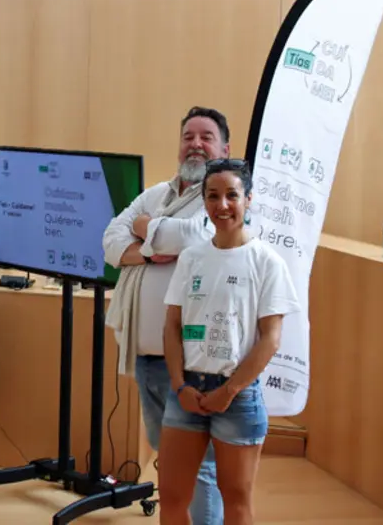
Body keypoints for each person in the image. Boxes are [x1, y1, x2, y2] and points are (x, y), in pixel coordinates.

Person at [103, 106, 230, 524]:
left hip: (190, 364)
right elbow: (109, 239)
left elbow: (193, 236)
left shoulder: (221, 200)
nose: (196, 144)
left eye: (206, 137)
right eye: (188, 136)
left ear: (224, 149)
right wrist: (150, 251)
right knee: (169, 458)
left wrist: (144, 226)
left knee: (199, 466)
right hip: (145, 358)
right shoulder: (156, 194)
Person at [159, 158, 300, 525]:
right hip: (187, 392)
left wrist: (230, 390)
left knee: (236, 501)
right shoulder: (191, 258)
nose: (222, 205)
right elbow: (172, 327)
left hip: (237, 397)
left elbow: (270, 339)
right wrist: (179, 385)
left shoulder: (267, 262)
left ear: (248, 199)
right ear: (204, 201)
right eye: (212, 196)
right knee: (171, 497)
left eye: (232, 196)